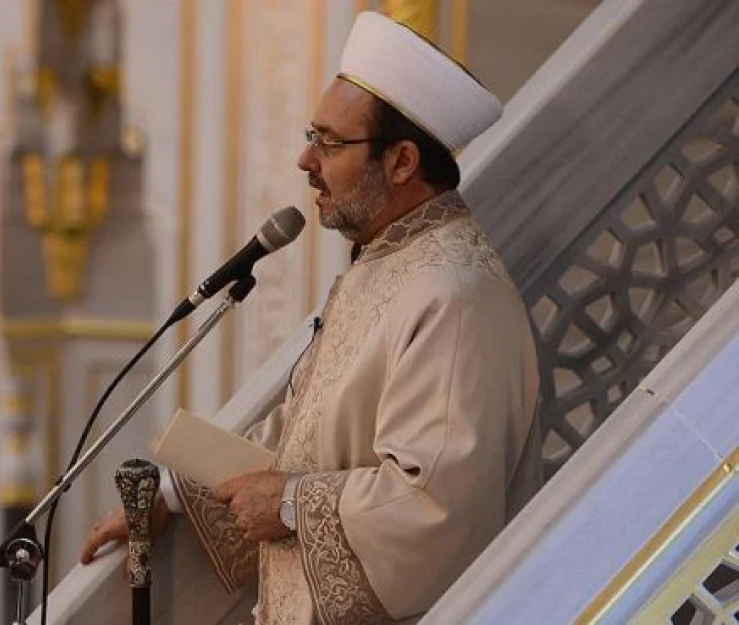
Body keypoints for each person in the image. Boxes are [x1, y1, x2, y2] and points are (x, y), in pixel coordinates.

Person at [82, 11, 543, 624]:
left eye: (330, 141)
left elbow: (438, 506)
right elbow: (312, 436)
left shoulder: (456, 295)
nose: (305, 159)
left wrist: (293, 504)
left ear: (402, 161)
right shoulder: (387, 258)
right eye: (311, 134)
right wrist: (176, 496)